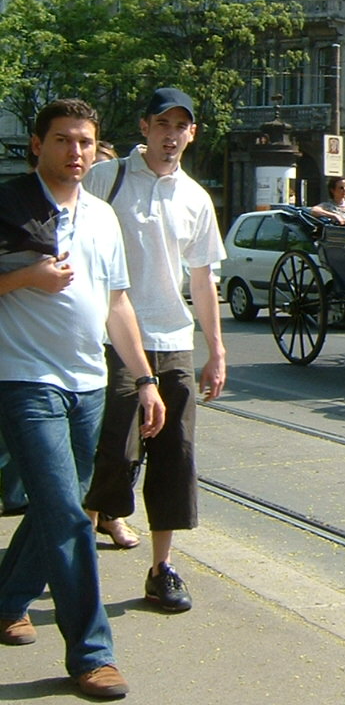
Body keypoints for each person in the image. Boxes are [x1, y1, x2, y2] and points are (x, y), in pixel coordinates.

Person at [0, 98, 164, 699]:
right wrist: (25, 278)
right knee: (69, 515)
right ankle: (92, 654)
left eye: (86, 143)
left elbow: (117, 302)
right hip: (22, 379)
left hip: (87, 383)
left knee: (58, 504)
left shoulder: (100, 215)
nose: (76, 153)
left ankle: (6, 600)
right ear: (37, 145)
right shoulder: (10, 204)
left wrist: (144, 379)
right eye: (64, 141)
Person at [81, 87, 226, 614]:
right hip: (111, 338)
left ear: (192, 133)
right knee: (114, 450)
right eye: (162, 125)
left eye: (180, 127)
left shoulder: (194, 197)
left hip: (172, 342)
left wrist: (215, 349)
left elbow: (203, 278)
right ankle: (83, 550)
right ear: (144, 128)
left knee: (175, 458)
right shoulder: (106, 177)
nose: (171, 136)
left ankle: (162, 568)